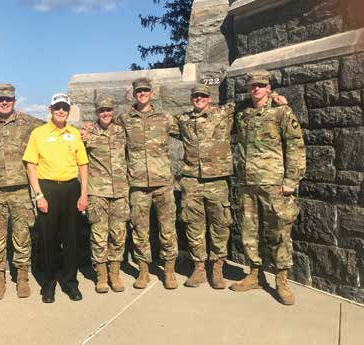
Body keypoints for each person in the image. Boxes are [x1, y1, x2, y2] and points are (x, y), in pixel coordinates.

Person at [230, 70, 306, 306]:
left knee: (279, 232)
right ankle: (254, 274)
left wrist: (291, 181)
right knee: (249, 231)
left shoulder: (282, 111)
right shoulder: (242, 113)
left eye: (261, 85)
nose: (257, 89)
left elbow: (295, 146)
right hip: (248, 183)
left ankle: (282, 279)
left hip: (274, 183)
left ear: (269, 87)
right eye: (253, 86)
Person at [0, 84, 43, 300]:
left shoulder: (28, 122)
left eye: (8, 99)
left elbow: (52, 128)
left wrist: (84, 131)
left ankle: (22, 278)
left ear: (14, 100)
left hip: (21, 190)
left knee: (22, 237)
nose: (4, 102)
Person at [23, 93, 89, 303]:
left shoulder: (74, 133)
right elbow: (30, 166)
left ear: (69, 111)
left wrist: (84, 193)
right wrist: (39, 195)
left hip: (71, 189)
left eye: (65, 108)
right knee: (48, 239)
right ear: (50, 110)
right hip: (48, 189)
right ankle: (49, 284)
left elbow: (83, 165)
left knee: (71, 239)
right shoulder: (38, 133)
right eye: (57, 107)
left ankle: (70, 283)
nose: (61, 111)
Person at [117, 78, 179, 290]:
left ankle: (169, 271)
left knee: (167, 229)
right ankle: (143, 270)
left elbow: (193, 128)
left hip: (162, 183)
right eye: (139, 91)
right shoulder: (124, 119)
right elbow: (107, 130)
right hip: (138, 185)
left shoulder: (165, 118)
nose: (142, 94)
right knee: (139, 230)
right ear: (134, 94)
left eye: (145, 90)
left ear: (151, 93)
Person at [175, 84, 235, 289]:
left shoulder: (223, 114)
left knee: (220, 225)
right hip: (192, 180)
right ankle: (199, 268)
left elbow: (252, 102)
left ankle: (217, 268)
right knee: (193, 225)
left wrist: (275, 97)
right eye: (196, 96)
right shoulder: (183, 120)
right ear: (192, 98)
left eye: (203, 96)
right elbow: (156, 124)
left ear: (209, 98)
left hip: (217, 180)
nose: (199, 99)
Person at [83, 96, 129, 293]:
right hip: (97, 193)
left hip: (119, 192)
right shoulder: (87, 133)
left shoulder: (121, 131)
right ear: (96, 112)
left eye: (108, 110)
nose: (105, 113)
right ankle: (101, 276)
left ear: (113, 111)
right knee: (99, 235)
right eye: (102, 110)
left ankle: (115, 273)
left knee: (118, 235)